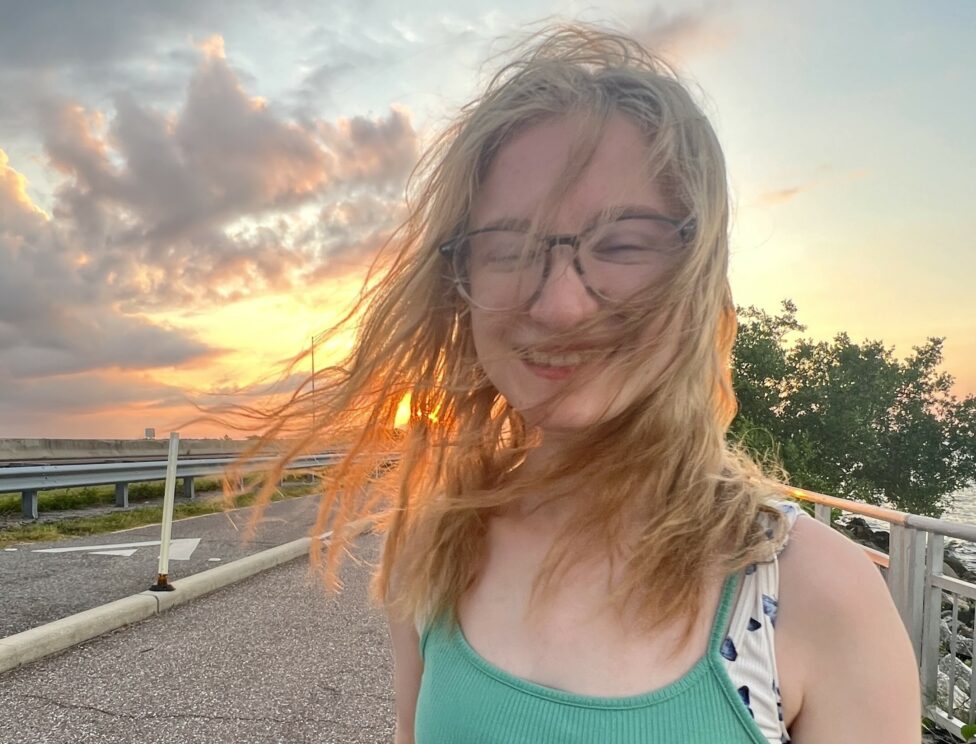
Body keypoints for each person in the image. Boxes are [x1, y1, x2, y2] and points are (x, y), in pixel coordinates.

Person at [239, 23, 920, 743]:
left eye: (624, 244)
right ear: (460, 284)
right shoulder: (438, 545)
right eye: (508, 249)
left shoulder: (814, 595)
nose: (559, 304)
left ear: (698, 277)